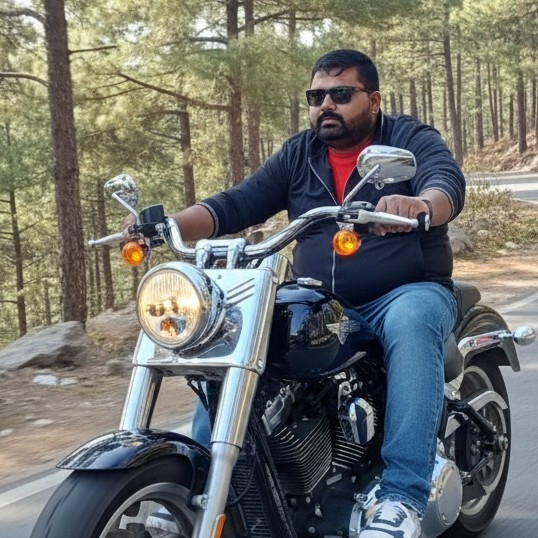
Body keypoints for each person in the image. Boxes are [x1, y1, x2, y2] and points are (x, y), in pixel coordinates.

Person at [149, 49, 465, 538]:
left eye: (341, 94)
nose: (326, 105)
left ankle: (402, 495)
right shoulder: (300, 153)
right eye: (316, 97)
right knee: (240, 335)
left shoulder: (408, 139)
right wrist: (166, 225)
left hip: (404, 291)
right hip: (323, 300)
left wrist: (421, 204)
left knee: (411, 320)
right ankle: (210, 490)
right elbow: (236, 203)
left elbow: (446, 184)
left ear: (373, 100)